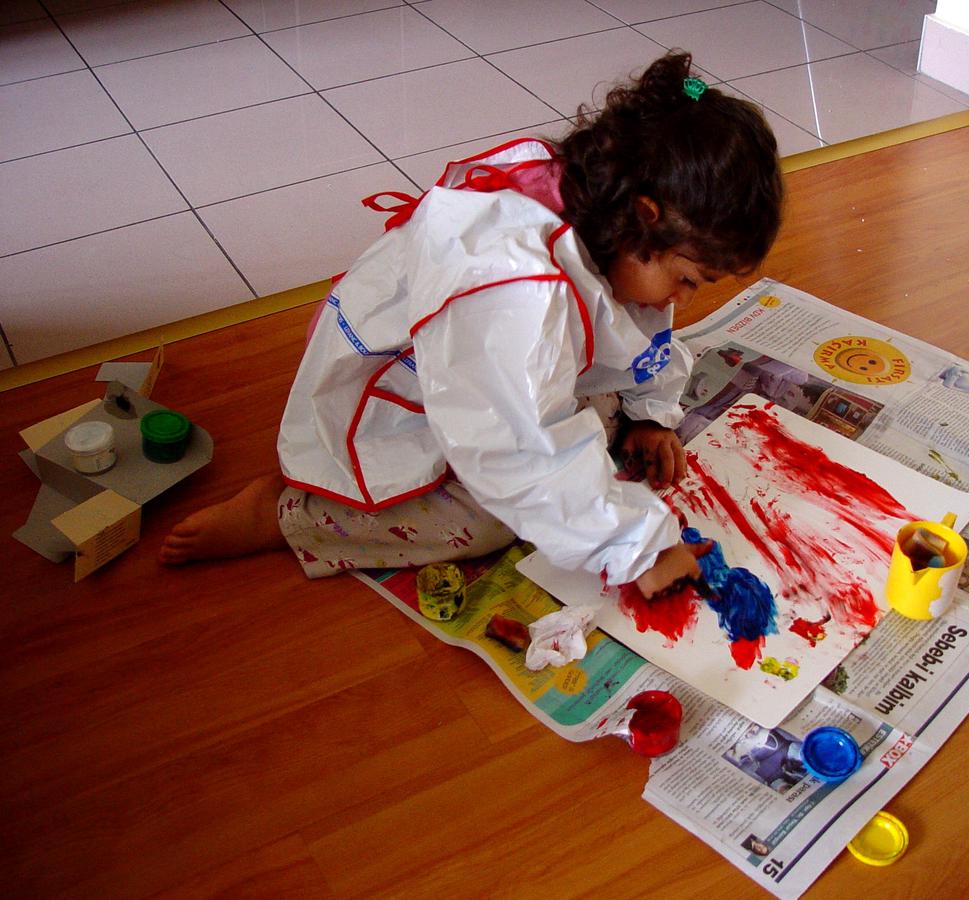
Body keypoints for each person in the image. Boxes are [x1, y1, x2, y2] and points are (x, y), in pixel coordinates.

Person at [160, 51, 783, 599]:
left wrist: (650, 410)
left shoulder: (614, 212)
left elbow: (643, 322)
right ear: (645, 217)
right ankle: (290, 514)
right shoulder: (512, 281)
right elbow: (516, 451)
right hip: (411, 392)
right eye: (689, 280)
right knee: (492, 519)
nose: (681, 298)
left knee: (601, 425)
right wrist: (639, 549)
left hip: (499, 365)